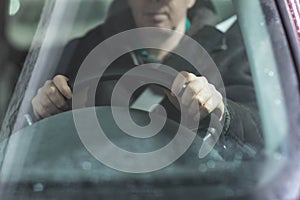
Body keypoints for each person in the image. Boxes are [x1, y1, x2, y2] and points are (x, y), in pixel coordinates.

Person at [31, 0, 263, 154]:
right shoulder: (82, 53)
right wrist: (44, 110)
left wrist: (221, 110)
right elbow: (36, 144)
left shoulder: (235, 53)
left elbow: (264, 138)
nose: (154, 2)